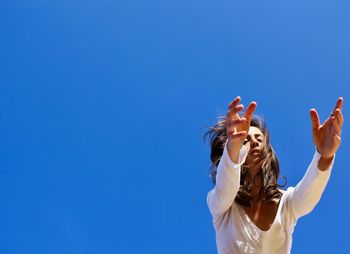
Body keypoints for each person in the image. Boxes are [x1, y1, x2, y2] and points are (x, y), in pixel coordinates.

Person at [204, 96, 344, 254]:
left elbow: (308, 195)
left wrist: (324, 155)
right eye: (245, 140)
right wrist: (233, 147)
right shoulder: (222, 206)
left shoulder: (286, 202)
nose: (255, 142)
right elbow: (227, 187)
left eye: (259, 138)